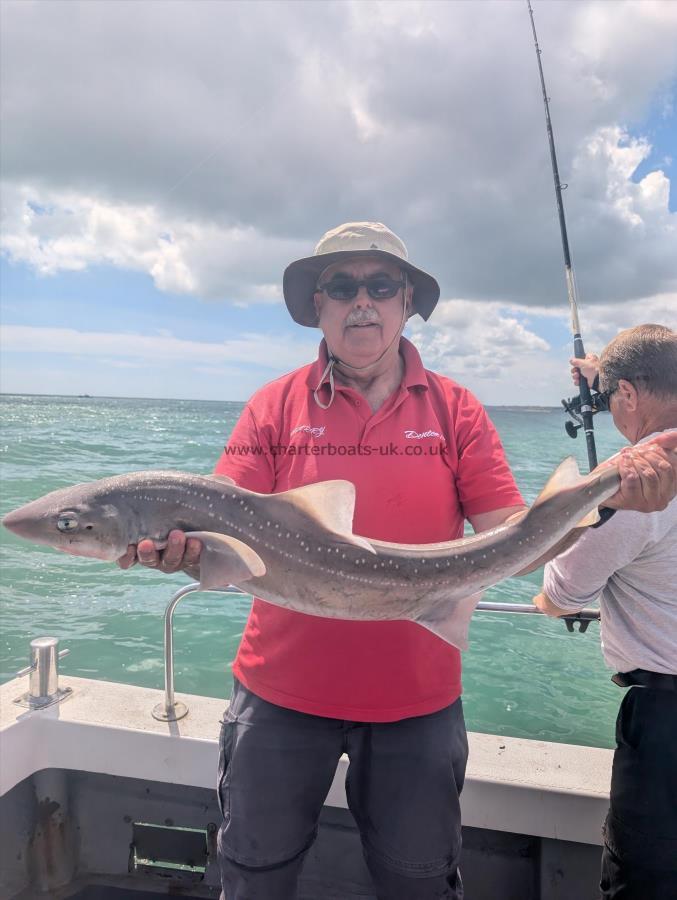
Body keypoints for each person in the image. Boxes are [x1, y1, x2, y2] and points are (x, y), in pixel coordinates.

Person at [118, 225, 677, 900]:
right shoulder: (273, 406)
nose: (362, 302)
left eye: (380, 286)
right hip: (278, 695)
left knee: (419, 884)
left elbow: (513, 540)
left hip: (417, 701)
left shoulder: (457, 409)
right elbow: (219, 520)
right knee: (252, 876)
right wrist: (181, 552)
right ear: (316, 306)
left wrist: (610, 500)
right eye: (342, 287)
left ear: (406, 301)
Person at [533, 324, 677, 900]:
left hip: (667, 725)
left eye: (613, 400)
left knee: (646, 885)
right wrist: (606, 375)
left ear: (627, 398)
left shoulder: (633, 482)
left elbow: (561, 592)